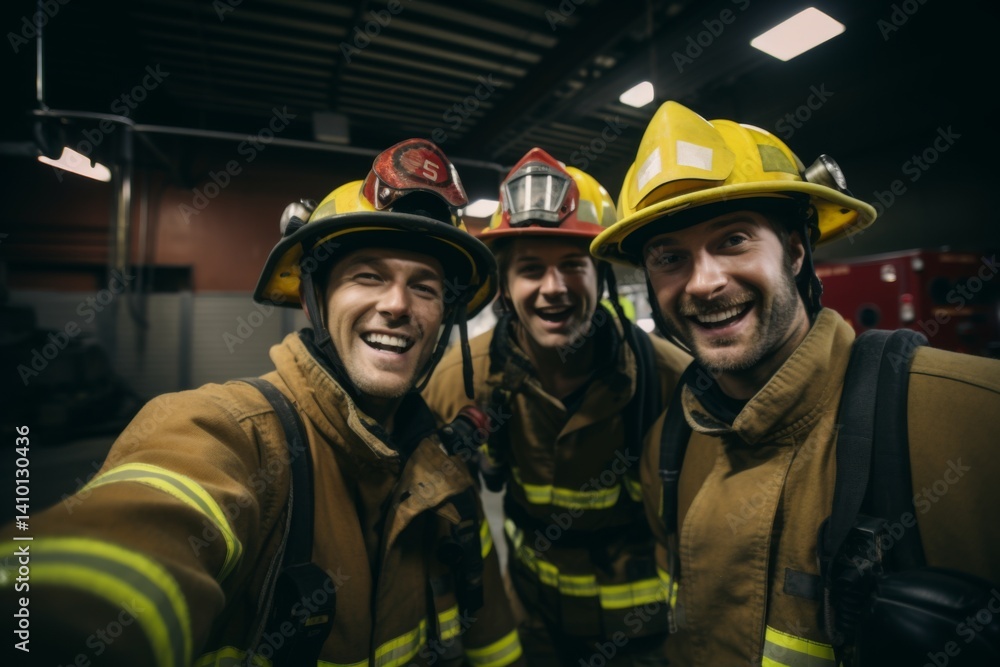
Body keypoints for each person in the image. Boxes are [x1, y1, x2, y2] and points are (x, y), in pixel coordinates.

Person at [0, 139, 525, 667]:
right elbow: (113, 563)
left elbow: (495, 642)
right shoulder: (229, 432)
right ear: (312, 298)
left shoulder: (449, 477)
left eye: (426, 287)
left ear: (444, 318)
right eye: (368, 275)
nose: (396, 305)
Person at [590, 101, 1000, 665]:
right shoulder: (669, 448)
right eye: (669, 258)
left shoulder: (975, 420)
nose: (704, 282)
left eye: (733, 239)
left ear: (797, 250)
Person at [422, 148, 690, 666]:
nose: (554, 288)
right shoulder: (460, 380)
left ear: (601, 276)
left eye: (573, 265)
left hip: (648, 641)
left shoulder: (669, 379)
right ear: (503, 285)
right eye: (530, 269)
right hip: (533, 630)